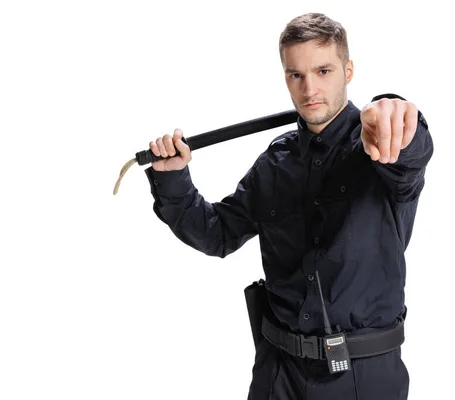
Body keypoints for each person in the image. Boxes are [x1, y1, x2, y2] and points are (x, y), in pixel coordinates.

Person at [145, 12, 433, 400]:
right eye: (295, 75)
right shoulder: (274, 163)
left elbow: (409, 157)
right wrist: (173, 177)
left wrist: (398, 117)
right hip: (278, 373)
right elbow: (218, 234)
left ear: (348, 71)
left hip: (364, 378)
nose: (309, 88)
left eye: (323, 70)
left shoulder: (378, 145)